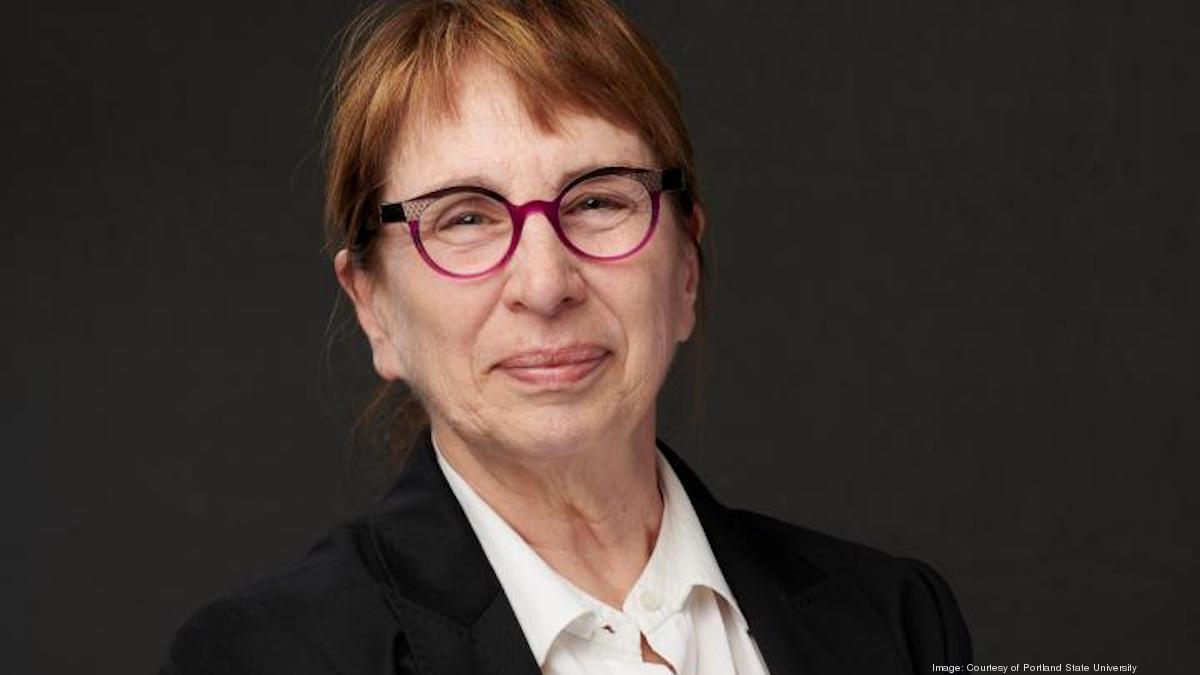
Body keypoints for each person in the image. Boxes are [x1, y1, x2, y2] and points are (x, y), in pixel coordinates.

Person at [160, 0, 972, 673]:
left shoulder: (896, 622)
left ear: (686, 267)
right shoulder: (265, 659)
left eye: (597, 200)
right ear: (375, 307)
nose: (545, 285)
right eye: (466, 218)